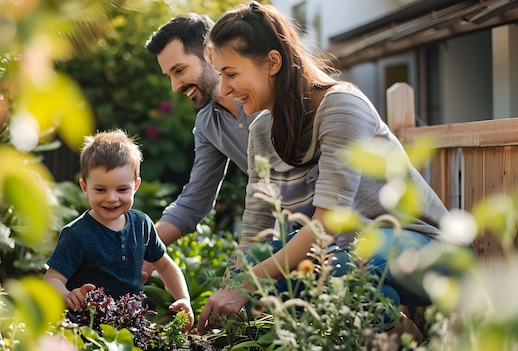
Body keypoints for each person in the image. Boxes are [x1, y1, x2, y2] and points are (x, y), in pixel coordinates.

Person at [196, 1, 474, 342]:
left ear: (272, 62)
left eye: (232, 74)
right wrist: (229, 290)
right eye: (221, 75)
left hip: (433, 256)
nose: (224, 90)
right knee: (283, 266)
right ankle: (397, 334)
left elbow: (327, 224)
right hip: (355, 255)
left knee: (329, 260)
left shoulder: (341, 105)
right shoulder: (260, 132)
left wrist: (249, 281)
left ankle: (408, 342)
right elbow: (255, 234)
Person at [142, 13, 266, 281]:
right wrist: (141, 252)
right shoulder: (208, 123)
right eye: (169, 76)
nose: (175, 87)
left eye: (179, 70)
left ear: (210, 55)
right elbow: (194, 202)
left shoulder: (267, 100)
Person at [43, 129, 194, 333]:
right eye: (100, 190)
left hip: (131, 327)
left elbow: (165, 266)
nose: (112, 198)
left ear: (136, 186)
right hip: (87, 329)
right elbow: (52, 279)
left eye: (122, 190)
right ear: (85, 187)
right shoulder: (77, 234)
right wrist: (68, 295)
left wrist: (183, 299)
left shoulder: (142, 224)